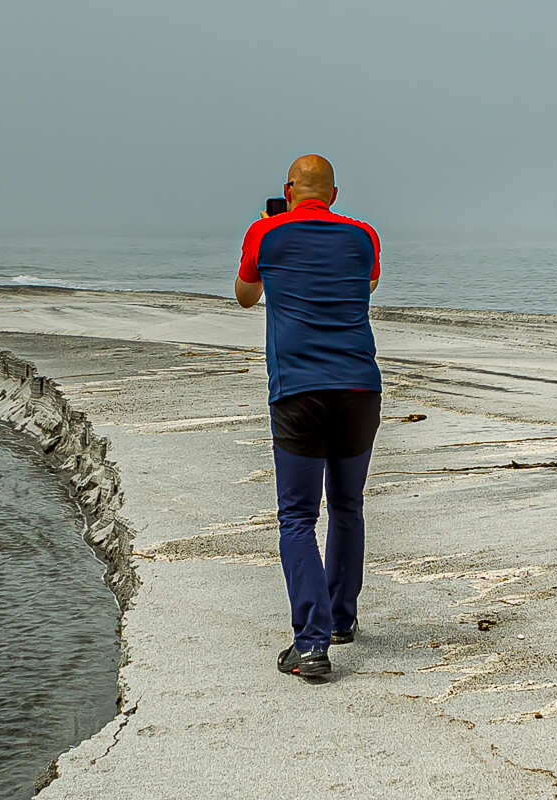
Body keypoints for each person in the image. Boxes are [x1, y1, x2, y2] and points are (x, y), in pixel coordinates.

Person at [234, 154, 382, 680]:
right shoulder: (364, 236)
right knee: (348, 505)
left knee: (297, 516)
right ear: (334, 194)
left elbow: (246, 297)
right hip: (360, 388)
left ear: (288, 189)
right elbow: (364, 288)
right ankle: (342, 619)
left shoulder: (265, 233)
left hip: (298, 390)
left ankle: (313, 643)